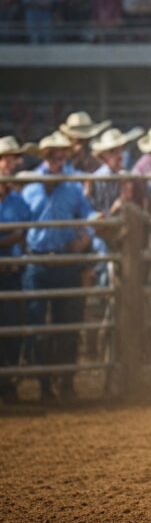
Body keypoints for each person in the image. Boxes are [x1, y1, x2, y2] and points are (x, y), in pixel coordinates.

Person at [21, 132, 99, 402]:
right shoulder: (29, 186)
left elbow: (87, 215)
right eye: (54, 156)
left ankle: (66, 382)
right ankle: (44, 384)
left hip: (65, 263)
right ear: (45, 157)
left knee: (69, 325)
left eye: (62, 155)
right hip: (38, 262)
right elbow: (20, 221)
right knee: (38, 327)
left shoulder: (74, 187)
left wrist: (85, 237)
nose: (59, 160)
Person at [0, 137, 32, 401]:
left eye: (13, 158)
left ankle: (9, 384)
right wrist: (12, 238)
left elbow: (27, 232)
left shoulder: (18, 200)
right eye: (5, 158)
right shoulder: (17, 200)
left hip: (11, 273)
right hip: (8, 268)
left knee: (12, 329)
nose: (10, 163)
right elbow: (20, 234)